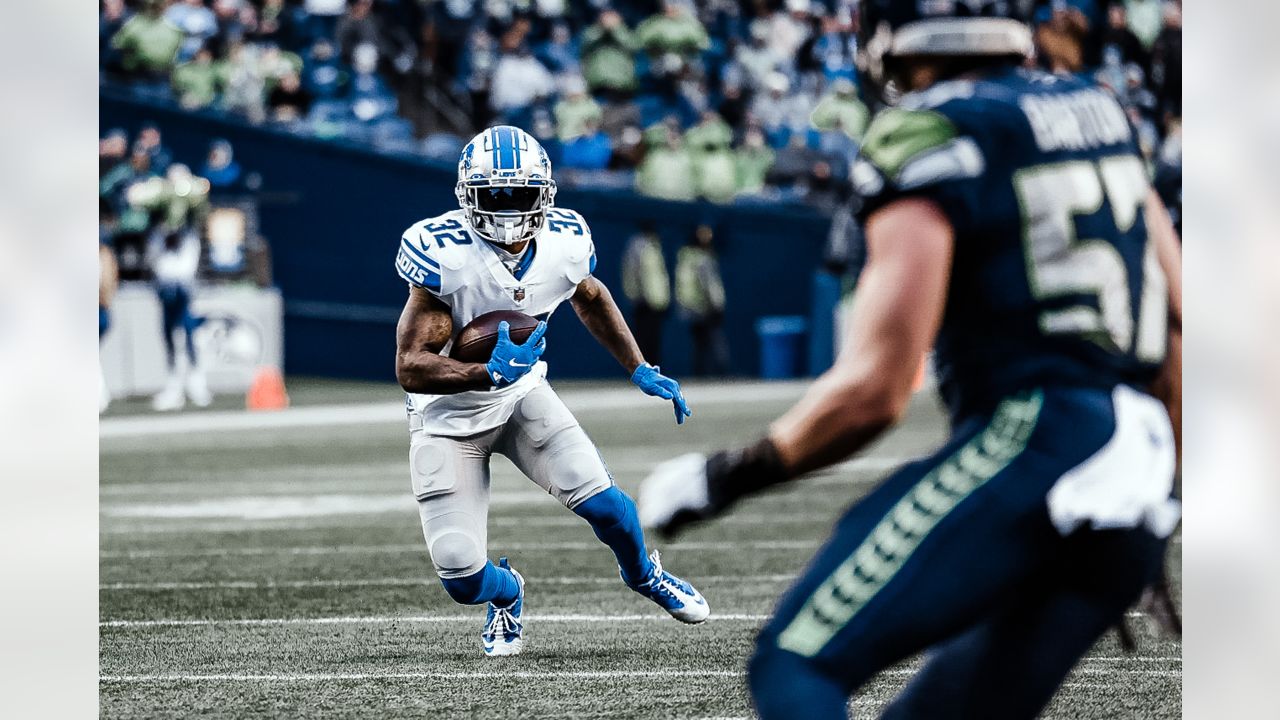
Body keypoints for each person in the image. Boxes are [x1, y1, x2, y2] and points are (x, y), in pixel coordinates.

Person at [639, 2, 1182, 717]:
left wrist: (729, 475)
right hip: (1134, 471)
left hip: (1039, 439)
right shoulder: (1097, 108)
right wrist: (1157, 500)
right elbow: (1177, 322)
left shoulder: (930, 130)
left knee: (794, 663)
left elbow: (877, 392)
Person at [393, 126, 707, 658]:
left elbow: (590, 296)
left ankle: (645, 573)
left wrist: (638, 366)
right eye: (496, 195)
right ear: (468, 197)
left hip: (519, 398)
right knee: (460, 574)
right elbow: (409, 365)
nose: (511, 209)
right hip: (447, 418)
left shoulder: (564, 240)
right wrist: (481, 374)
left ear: (545, 193)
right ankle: (508, 593)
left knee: (607, 506)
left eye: (520, 194)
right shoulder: (444, 254)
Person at [674, 224, 728, 376]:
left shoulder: (686, 256)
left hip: (691, 307)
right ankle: (719, 373)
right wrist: (717, 305)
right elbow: (709, 285)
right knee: (715, 341)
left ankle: (701, 373)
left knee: (700, 344)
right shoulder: (702, 258)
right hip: (706, 307)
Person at [621, 223, 671, 365]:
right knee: (644, 337)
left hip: (653, 299)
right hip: (644, 300)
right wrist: (638, 295)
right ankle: (642, 367)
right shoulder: (641, 246)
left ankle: (650, 367)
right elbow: (636, 273)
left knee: (652, 337)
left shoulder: (652, 247)